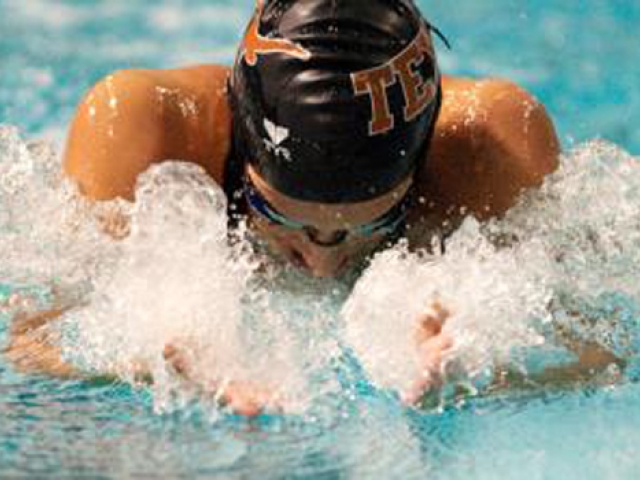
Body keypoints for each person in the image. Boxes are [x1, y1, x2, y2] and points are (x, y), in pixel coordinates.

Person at [4, 0, 621, 415]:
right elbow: (26, 346)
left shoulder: (493, 149)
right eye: (281, 221)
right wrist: (145, 363)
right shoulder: (144, 131)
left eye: (375, 225)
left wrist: (490, 365)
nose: (324, 267)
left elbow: (601, 355)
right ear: (240, 151)